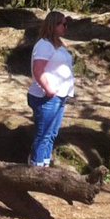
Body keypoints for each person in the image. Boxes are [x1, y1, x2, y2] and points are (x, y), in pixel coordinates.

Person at [27, 10, 75, 167]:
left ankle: (44, 166)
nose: (66, 27)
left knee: (51, 134)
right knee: (43, 135)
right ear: (53, 25)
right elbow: (38, 70)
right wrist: (49, 90)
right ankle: (36, 169)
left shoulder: (58, 45)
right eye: (63, 24)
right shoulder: (44, 45)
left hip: (60, 97)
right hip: (47, 98)